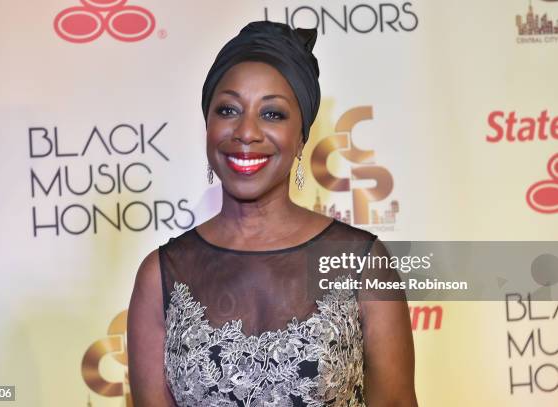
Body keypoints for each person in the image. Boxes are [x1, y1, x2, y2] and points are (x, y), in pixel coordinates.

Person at [127, 20, 417, 407]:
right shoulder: (160, 276)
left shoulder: (362, 263)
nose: (246, 132)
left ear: (301, 138)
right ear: (208, 127)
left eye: (273, 114)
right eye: (228, 109)